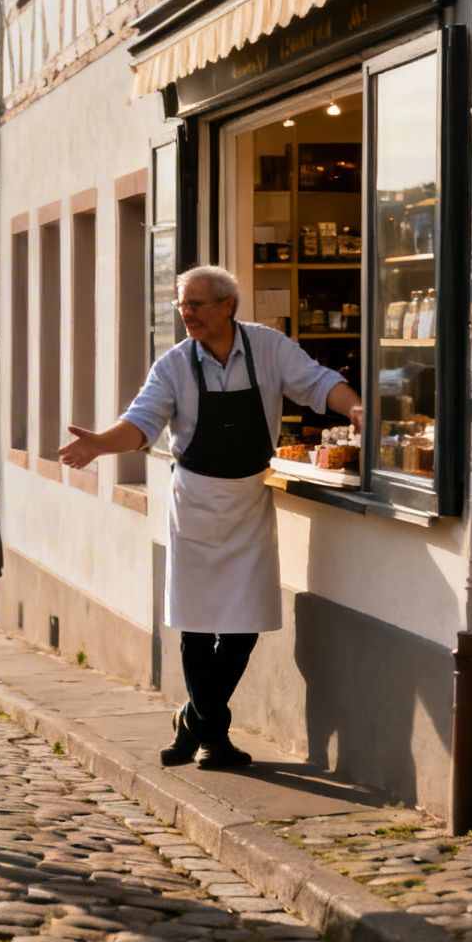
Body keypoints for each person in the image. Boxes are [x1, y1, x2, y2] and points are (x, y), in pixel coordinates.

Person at [58, 266, 363, 770]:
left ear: (227, 305)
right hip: (196, 501)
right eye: (183, 306)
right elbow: (140, 424)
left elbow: (318, 383)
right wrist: (100, 445)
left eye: (196, 304)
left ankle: (192, 719)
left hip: (248, 500)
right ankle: (213, 737)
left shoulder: (269, 347)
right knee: (198, 625)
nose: (187, 315)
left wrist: (355, 410)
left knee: (244, 624)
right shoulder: (174, 365)